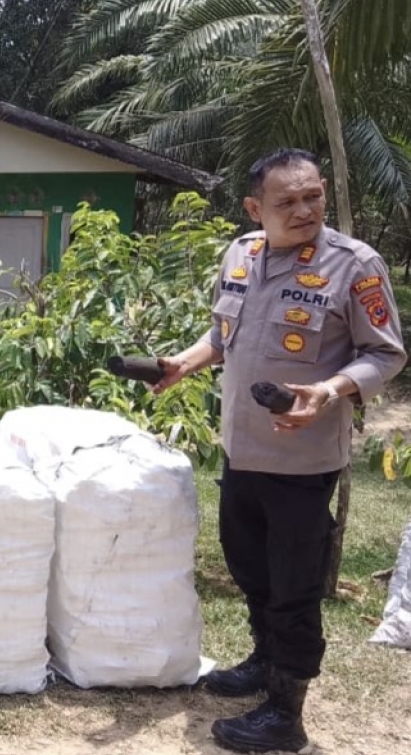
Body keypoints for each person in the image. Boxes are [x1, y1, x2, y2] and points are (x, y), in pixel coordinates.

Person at [153, 148, 406, 753]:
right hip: (242, 450)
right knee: (249, 568)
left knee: (294, 586)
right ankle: (264, 663)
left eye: (311, 196)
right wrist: (182, 364)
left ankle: (286, 713)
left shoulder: (356, 266)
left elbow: (387, 352)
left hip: (303, 462)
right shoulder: (241, 253)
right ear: (254, 208)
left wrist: (328, 388)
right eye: (286, 201)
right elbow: (223, 333)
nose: (303, 210)